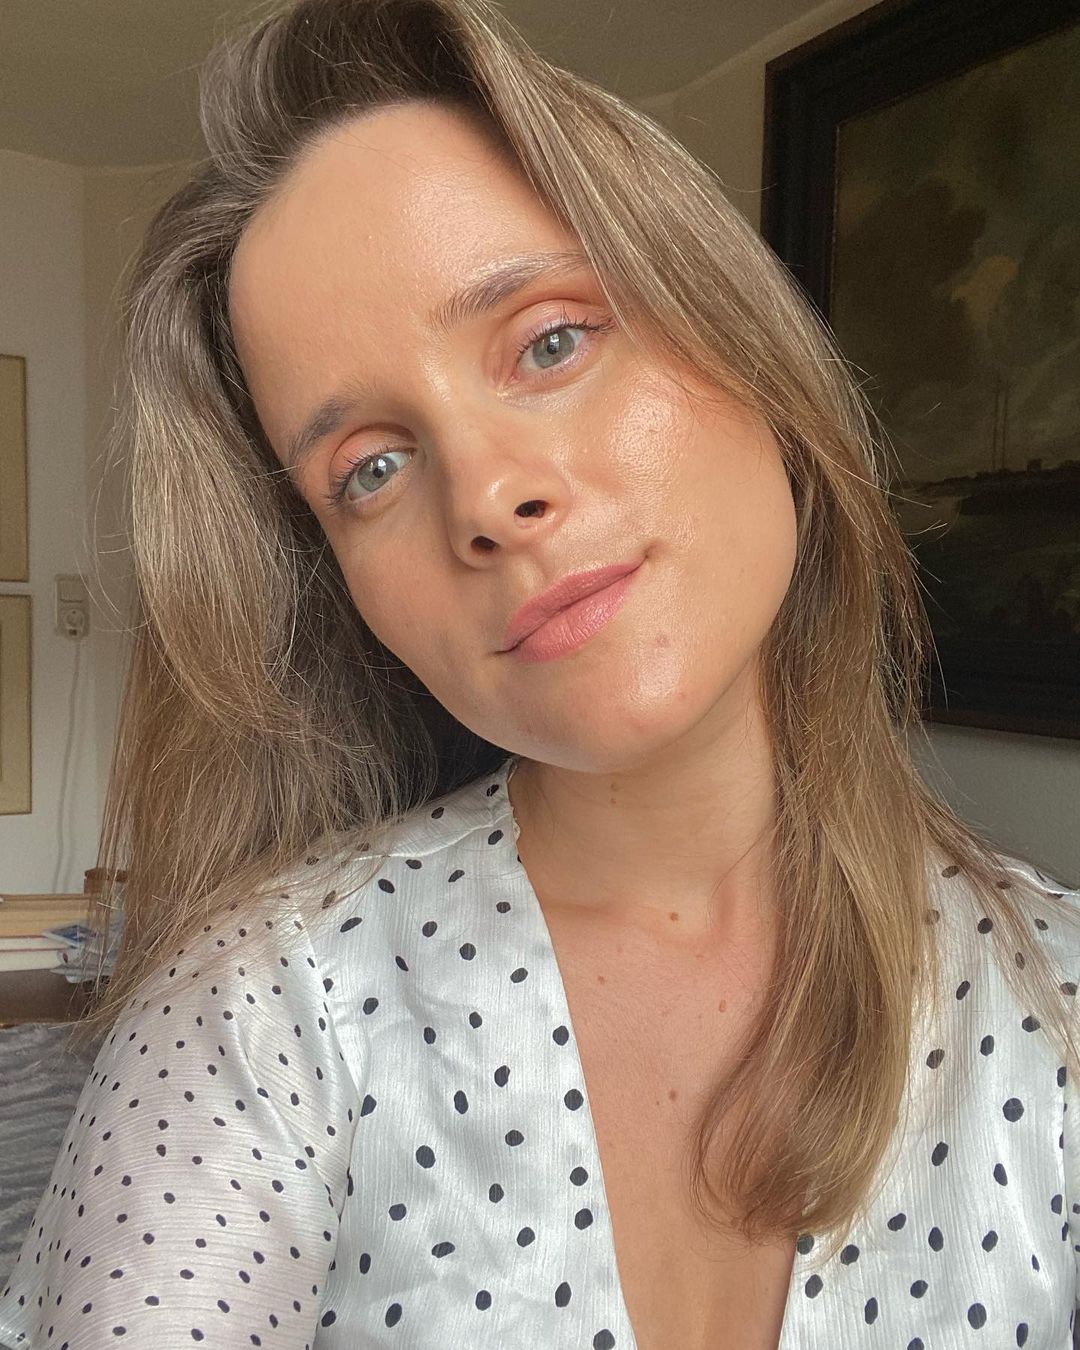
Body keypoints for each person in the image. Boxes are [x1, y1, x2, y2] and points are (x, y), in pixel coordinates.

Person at [2, 0, 1079, 1345]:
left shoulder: (1057, 1004)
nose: (486, 497)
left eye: (551, 340)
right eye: (369, 469)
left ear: (746, 342)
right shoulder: (262, 1010)